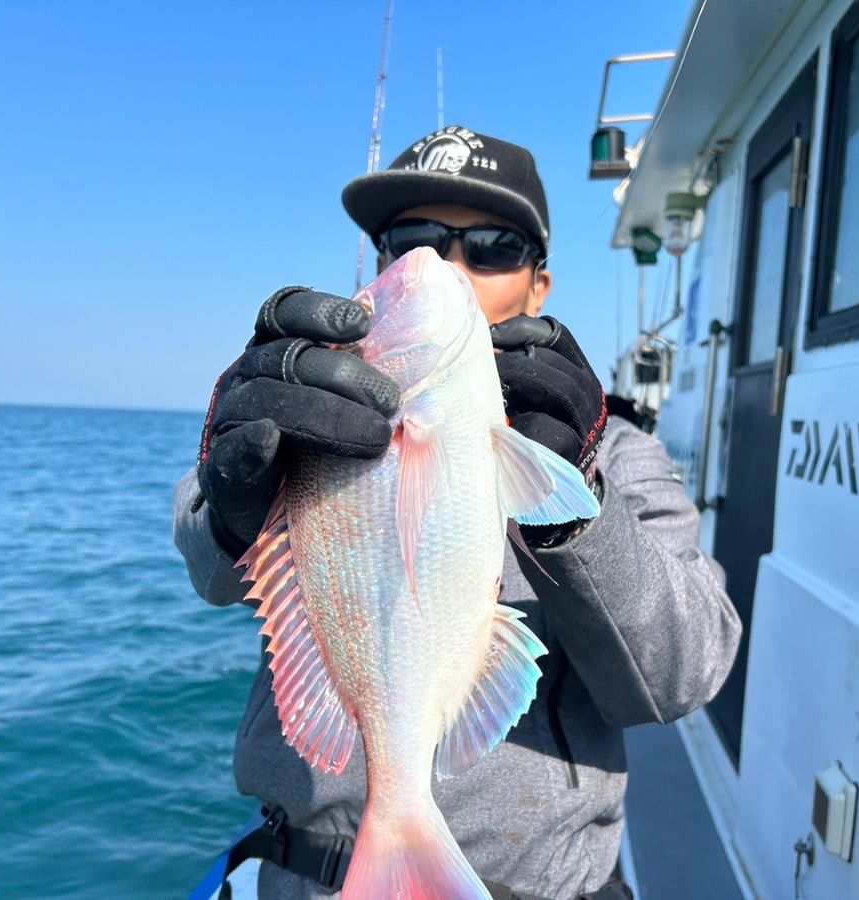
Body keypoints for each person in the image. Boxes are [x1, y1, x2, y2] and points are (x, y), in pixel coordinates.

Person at [174, 125, 741, 900]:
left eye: (494, 246)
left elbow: (688, 670)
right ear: (376, 266)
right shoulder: (317, 418)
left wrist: (576, 497)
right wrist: (231, 481)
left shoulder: (619, 451)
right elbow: (212, 569)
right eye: (414, 240)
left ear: (539, 285)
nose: (448, 265)